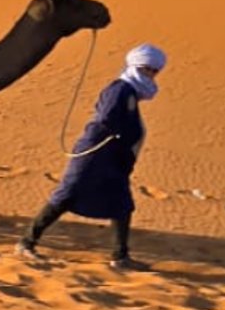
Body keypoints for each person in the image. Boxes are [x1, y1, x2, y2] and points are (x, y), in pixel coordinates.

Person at [16, 44, 169, 269]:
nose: (151, 75)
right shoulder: (120, 90)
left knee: (121, 204)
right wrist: (117, 135)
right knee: (65, 196)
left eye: (154, 71)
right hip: (95, 154)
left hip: (112, 158)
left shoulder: (130, 93)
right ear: (136, 67)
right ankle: (26, 244)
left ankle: (120, 257)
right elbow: (105, 120)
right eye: (148, 70)